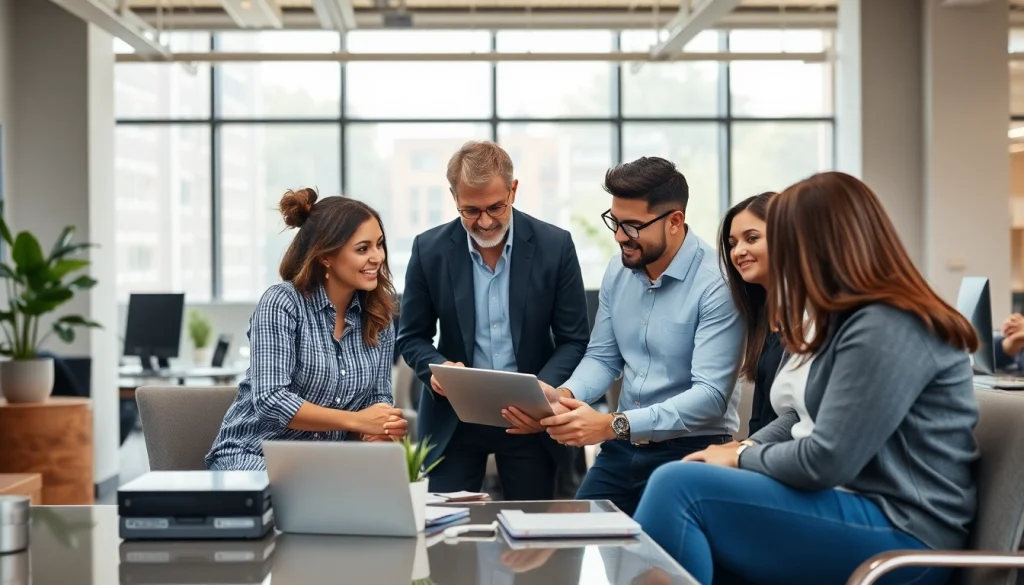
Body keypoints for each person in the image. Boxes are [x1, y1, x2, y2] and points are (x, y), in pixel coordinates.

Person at [633, 171, 979, 585]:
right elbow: (801, 418)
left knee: (679, 488)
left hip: (905, 534)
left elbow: (825, 460)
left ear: (825, 245)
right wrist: (742, 449)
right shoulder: (851, 319)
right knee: (691, 488)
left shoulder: (888, 324)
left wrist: (740, 456)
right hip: (858, 507)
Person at [504, 156, 744, 516]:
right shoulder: (620, 267)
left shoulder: (718, 284)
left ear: (675, 221)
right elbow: (603, 357)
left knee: (658, 566)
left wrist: (611, 425)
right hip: (622, 449)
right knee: (579, 542)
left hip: (692, 451)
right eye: (614, 222)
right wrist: (564, 396)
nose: (619, 237)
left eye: (632, 226)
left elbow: (710, 397)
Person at [396, 140, 590, 500]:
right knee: (447, 539)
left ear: (513, 190)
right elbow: (411, 338)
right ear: (454, 197)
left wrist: (542, 391)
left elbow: (574, 340)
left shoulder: (555, 246)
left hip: (531, 419)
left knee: (535, 538)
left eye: (495, 207)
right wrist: (437, 368)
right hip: (454, 418)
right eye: (470, 210)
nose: (484, 222)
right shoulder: (429, 250)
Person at [206, 189, 408, 471]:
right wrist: (357, 421)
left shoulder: (379, 318)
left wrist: (379, 430)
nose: (377, 257)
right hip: (254, 457)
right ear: (326, 257)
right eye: (363, 248)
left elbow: (378, 400)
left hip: (324, 466)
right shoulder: (282, 303)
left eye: (379, 245)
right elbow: (271, 399)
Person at [719, 192, 783, 437]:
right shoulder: (765, 319)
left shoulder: (810, 318)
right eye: (733, 244)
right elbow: (760, 420)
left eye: (752, 238)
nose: (738, 252)